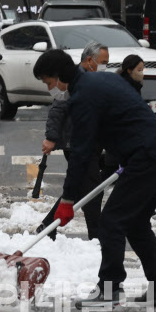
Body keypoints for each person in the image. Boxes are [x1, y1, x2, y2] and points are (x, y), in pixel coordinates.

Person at [33, 49, 156, 309]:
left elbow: (81, 151)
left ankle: (109, 290)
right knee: (135, 223)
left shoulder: (84, 96)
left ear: (59, 76)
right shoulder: (101, 81)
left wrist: (67, 199)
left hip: (146, 155)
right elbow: (115, 126)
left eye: (48, 82)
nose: (50, 89)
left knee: (111, 221)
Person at [36, 42, 110, 241]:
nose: (105, 66)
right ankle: (96, 235)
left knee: (82, 187)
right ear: (89, 60)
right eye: (103, 62)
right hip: (76, 143)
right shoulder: (72, 81)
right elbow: (57, 110)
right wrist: (51, 137)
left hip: (90, 143)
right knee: (92, 189)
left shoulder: (92, 81)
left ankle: (48, 225)